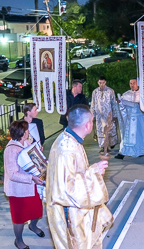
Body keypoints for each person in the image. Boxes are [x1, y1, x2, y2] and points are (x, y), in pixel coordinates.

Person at [46, 104, 113, 248]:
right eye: (92, 121)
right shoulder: (66, 149)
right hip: (69, 214)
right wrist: (94, 173)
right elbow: (66, 189)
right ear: (88, 125)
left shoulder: (70, 139)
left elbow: (73, 174)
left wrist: (92, 171)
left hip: (75, 209)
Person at [4, 120, 44, 249]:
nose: (28, 131)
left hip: (30, 186)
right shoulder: (11, 150)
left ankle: (33, 226)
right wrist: (31, 177)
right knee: (19, 218)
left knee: (37, 210)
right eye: (27, 130)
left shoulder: (25, 142)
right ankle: (19, 241)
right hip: (18, 190)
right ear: (23, 133)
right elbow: (12, 174)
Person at [115, 79, 144, 159]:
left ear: (138, 84)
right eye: (130, 83)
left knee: (140, 136)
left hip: (140, 119)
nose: (132, 85)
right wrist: (119, 102)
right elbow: (122, 106)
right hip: (129, 119)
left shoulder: (143, 94)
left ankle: (142, 151)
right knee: (127, 136)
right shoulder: (126, 94)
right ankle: (124, 151)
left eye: (134, 83)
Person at [91, 76, 120, 152]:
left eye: (103, 82)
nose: (101, 84)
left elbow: (113, 103)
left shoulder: (110, 91)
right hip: (99, 116)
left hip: (108, 115)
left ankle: (112, 143)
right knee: (101, 131)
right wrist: (92, 115)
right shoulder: (95, 92)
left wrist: (115, 115)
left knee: (110, 129)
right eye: (100, 83)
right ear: (98, 82)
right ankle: (104, 146)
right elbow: (93, 104)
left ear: (105, 82)